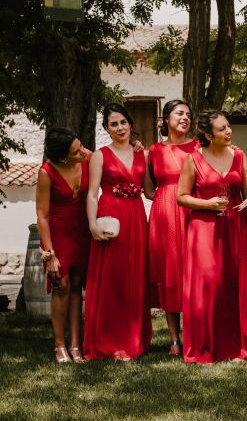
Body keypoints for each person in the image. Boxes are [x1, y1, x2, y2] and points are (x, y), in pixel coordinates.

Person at [177, 110, 247, 363]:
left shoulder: (240, 155)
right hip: (204, 228)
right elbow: (181, 196)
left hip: (234, 226)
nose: (228, 131)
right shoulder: (193, 159)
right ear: (209, 135)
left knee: (234, 285)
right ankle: (205, 347)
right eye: (222, 129)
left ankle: (236, 348)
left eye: (228, 126)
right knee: (209, 285)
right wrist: (206, 204)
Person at [84, 103, 153, 361]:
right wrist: (92, 224)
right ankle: (110, 342)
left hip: (136, 217)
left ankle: (134, 338)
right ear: (106, 129)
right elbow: (92, 194)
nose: (120, 128)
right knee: (112, 280)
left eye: (123, 122)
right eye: (114, 124)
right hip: (110, 217)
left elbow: (148, 190)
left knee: (134, 278)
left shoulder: (140, 154)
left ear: (130, 124)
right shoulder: (100, 155)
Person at [147, 100, 199, 356]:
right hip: (165, 214)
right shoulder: (153, 151)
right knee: (169, 273)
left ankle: (193, 333)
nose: (185, 118)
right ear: (166, 118)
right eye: (180, 113)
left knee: (192, 270)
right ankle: (174, 339)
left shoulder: (199, 147)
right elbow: (147, 189)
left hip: (192, 211)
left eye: (188, 114)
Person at [35, 128, 91, 363]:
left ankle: (76, 344)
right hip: (58, 232)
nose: (83, 151)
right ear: (63, 157)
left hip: (82, 228)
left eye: (80, 145)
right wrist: (50, 255)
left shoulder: (85, 158)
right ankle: (60, 345)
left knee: (78, 284)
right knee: (62, 285)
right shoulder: (47, 172)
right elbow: (42, 216)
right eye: (76, 150)